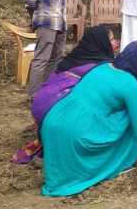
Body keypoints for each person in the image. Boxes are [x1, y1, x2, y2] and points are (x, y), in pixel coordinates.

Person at [40, 41, 137, 197]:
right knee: (130, 118)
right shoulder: (132, 87)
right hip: (76, 134)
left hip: (51, 123)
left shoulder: (101, 67)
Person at [13, 25, 120, 164]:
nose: (115, 43)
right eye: (111, 39)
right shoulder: (100, 67)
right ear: (102, 43)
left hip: (40, 107)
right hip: (54, 112)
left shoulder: (75, 57)